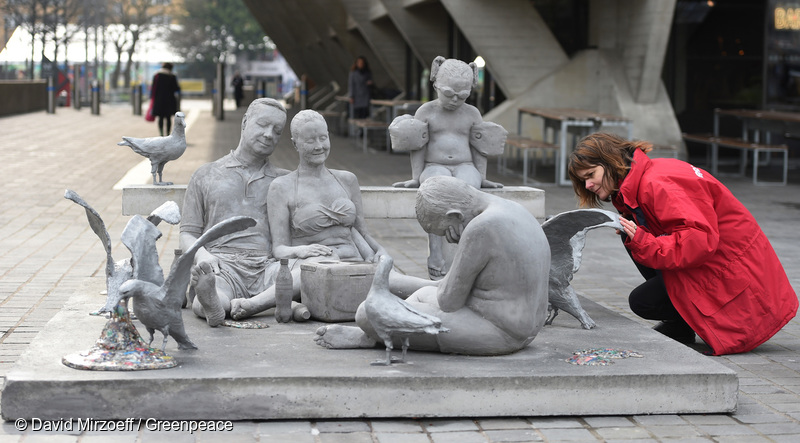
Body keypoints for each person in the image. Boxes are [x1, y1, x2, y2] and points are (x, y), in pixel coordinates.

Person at [567, 132, 797, 355]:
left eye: (590, 175)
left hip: (735, 279)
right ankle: (681, 324)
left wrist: (644, 240)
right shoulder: (645, 178)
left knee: (642, 302)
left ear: (610, 161)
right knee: (633, 236)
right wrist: (639, 236)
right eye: (583, 180)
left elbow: (699, 241)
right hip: (724, 266)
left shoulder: (657, 182)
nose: (588, 185)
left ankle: (683, 322)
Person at [229, 110, 434, 320]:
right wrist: (303, 250)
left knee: (410, 283)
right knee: (309, 272)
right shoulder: (282, 187)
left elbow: (362, 232)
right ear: (295, 144)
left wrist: (381, 252)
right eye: (310, 140)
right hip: (310, 265)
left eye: (323, 138)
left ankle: (442, 288)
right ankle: (253, 305)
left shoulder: (347, 179)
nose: (319, 146)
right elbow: (279, 249)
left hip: (355, 262)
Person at [315, 175, 550, 355]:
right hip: (527, 327)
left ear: (455, 215)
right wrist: (420, 290)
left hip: (498, 332)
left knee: (366, 312)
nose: (450, 240)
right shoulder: (513, 209)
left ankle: (371, 335)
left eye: (446, 232)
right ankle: (381, 332)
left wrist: (418, 291)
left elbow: (449, 301)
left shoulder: (481, 228)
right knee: (422, 293)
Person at [180, 98, 290, 327]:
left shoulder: (284, 181)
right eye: (263, 125)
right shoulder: (206, 174)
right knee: (208, 293)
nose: (269, 134)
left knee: (304, 274)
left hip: (268, 265)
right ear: (245, 122)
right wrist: (202, 255)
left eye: (277, 130)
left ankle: (253, 305)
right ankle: (216, 306)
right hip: (222, 264)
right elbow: (187, 233)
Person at [392, 56, 503, 278]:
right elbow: (418, 146)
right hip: (434, 165)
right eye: (449, 94)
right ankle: (436, 250)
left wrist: (482, 177)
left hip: (465, 165)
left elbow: (479, 146)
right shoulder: (426, 111)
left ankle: (464, 252)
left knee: (468, 195)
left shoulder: (472, 113)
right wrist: (415, 177)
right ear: (436, 86)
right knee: (437, 193)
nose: (455, 101)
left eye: (462, 96)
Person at [150, 62, 181, 136]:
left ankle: (161, 134)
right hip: (169, 100)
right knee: (168, 118)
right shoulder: (172, 76)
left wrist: (152, 98)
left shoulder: (157, 75)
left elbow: (153, 88)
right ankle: (167, 134)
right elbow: (176, 88)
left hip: (159, 100)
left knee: (160, 118)